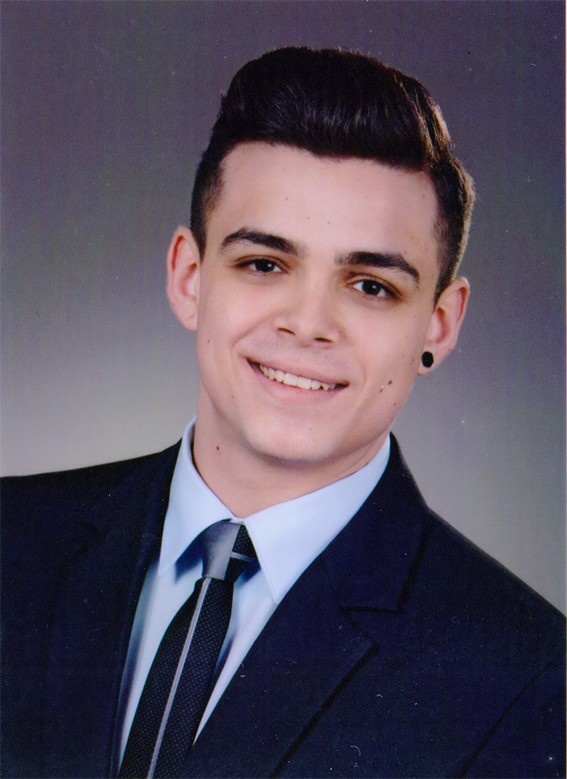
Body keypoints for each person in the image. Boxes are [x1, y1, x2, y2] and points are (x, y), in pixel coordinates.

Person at [1, 47, 564, 779]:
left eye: (370, 286)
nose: (307, 324)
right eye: (264, 264)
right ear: (189, 277)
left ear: (439, 324)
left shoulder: (525, 679)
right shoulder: (10, 542)